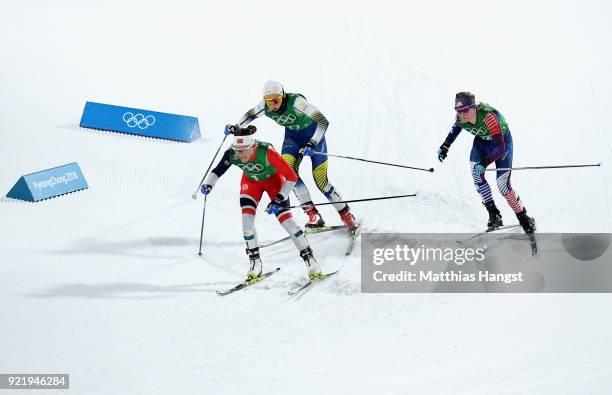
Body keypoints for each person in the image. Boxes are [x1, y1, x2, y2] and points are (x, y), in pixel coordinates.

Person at [225, 80, 359, 233]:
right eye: (268, 101)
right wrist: (236, 126)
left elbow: (323, 121)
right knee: (289, 174)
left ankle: (347, 215)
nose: (272, 104)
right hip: (292, 139)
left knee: (321, 180)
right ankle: (313, 215)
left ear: (283, 96)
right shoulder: (265, 106)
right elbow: (250, 115)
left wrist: (313, 142)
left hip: (314, 136)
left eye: (276, 99)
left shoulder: (297, 103)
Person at [201, 126, 324, 281]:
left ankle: (310, 261)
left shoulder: (267, 153)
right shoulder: (232, 153)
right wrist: (208, 184)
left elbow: (291, 177)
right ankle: (255, 263)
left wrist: (279, 199)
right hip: (251, 184)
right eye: (236, 150)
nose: (238, 155)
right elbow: (218, 170)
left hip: (274, 183)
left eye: (242, 150)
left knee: (288, 224)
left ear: (252, 146)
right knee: (247, 225)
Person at [437, 92, 536, 234]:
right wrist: (445, 146)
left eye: (465, 110)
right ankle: (494, 214)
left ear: (474, 108)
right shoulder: (461, 119)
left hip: (501, 144)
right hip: (482, 143)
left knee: (503, 186)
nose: (462, 114)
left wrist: (484, 163)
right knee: (476, 176)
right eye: (458, 111)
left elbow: (500, 148)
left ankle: (523, 217)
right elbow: (455, 129)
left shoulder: (489, 118)